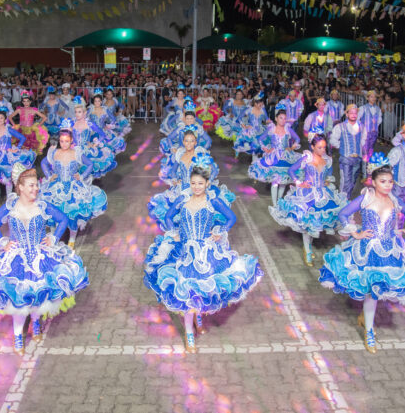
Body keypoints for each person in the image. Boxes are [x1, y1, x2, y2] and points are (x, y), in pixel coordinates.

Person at [0, 164, 88, 355]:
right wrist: (3, 242)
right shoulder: (10, 206)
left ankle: (36, 323)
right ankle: (18, 337)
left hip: (40, 257)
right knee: (18, 301)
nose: (35, 189)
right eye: (31, 185)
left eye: (36, 185)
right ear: (19, 187)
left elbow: (63, 219)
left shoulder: (43, 205)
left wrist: (53, 238)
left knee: (39, 296)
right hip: (16, 260)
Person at [319, 154, 405, 353]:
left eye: (390, 181)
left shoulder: (394, 199)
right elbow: (343, 214)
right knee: (372, 291)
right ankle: (370, 332)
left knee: (382, 289)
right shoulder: (366, 197)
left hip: (390, 249)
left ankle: (366, 320)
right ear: (373, 182)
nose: (388, 185)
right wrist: (355, 232)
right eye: (383, 181)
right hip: (368, 250)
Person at [143, 162, 263, 353]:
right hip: (184, 252)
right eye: (193, 183)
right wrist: (174, 231)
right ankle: (190, 334)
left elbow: (231, 217)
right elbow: (167, 216)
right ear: (189, 183)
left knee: (201, 290)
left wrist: (220, 231)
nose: (196, 187)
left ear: (207, 183)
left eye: (200, 183)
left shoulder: (213, 201)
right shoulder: (183, 200)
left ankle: (198, 319)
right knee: (187, 292)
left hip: (206, 253)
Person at [270, 133, 346, 266]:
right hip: (307, 195)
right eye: (319, 148)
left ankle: (308, 247)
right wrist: (299, 182)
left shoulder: (327, 160)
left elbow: (328, 176)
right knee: (307, 224)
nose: (322, 150)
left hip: (322, 194)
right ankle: (307, 249)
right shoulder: (307, 157)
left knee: (316, 224)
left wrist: (326, 181)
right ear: (312, 146)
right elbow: (291, 170)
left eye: (324, 147)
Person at [39, 119, 107, 248]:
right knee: (53, 212)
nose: (64, 144)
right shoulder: (55, 152)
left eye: (66, 141)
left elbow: (90, 164)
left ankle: (71, 239)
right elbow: (43, 163)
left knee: (72, 215)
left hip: (73, 188)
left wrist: (81, 176)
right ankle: (54, 237)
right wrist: (49, 175)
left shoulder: (76, 153)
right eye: (61, 141)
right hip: (56, 187)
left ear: (71, 141)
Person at [149, 140, 234, 228]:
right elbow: (173, 171)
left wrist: (208, 181)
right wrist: (175, 179)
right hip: (182, 188)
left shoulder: (200, 157)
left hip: (200, 189)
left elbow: (214, 170)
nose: (189, 144)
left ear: (195, 142)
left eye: (191, 141)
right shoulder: (180, 156)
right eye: (186, 141)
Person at [0, 107, 36, 209]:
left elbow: (22, 138)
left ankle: (8, 203)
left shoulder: (8, 129)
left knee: (8, 181)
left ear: (5, 119)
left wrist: (16, 148)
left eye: (1, 118)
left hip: (8, 158)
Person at [248, 106, 302, 206]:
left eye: (285, 118)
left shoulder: (288, 129)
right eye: (281, 118)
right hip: (274, 157)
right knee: (275, 181)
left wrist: (291, 147)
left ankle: (279, 201)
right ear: (276, 118)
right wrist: (266, 148)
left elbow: (298, 139)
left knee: (283, 182)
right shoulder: (271, 128)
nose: (283, 120)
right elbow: (260, 139)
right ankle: (274, 204)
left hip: (286, 157)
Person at [71, 96, 117, 179]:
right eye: (76, 112)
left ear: (84, 113)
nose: (77, 114)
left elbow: (102, 134)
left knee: (86, 170)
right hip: (73, 149)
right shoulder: (72, 122)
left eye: (79, 112)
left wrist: (95, 144)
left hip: (86, 150)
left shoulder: (89, 123)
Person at [329, 104, 367, 199]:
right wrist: (342, 147)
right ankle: (342, 201)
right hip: (346, 159)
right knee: (345, 181)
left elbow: (363, 139)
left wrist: (359, 148)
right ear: (346, 114)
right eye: (351, 113)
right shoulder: (340, 127)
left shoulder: (362, 127)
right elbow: (333, 139)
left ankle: (347, 199)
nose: (354, 115)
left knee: (353, 181)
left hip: (357, 159)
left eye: (355, 113)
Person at [233, 92, 269, 157]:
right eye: (259, 103)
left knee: (260, 144)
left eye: (262, 103)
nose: (261, 104)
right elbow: (240, 118)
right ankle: (238, 154)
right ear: (255, 103)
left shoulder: (263, 110)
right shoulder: (249, 110)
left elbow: (267, 120)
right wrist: (244, 126)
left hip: (260, 130)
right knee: (246, 143)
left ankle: (256, 158)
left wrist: (270, 123)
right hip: (251, 130)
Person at [359, 91, 382, 172]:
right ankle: (363, 171)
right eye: (371, 97)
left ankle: (368, 169)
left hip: (374, 133)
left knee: (371, 151)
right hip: (365, 133)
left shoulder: (378, 109)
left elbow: (379, 119)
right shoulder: (363, 108)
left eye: (374, 97)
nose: (373, 98)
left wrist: (374, 127)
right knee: (364, 151)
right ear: (367, 98)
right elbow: (357, 119)